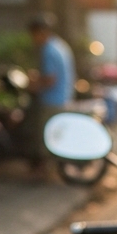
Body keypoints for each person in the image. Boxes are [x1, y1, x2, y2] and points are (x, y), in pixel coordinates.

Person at [26, 12, 76, 172]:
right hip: (64, 98)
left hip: (52, 101)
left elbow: (50, 79)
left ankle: (47, 172)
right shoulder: (60, 45)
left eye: (34, 35)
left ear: (41, 32)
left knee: (48, 138)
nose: (33, 39)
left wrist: (34, 83)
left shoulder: (48, 49)